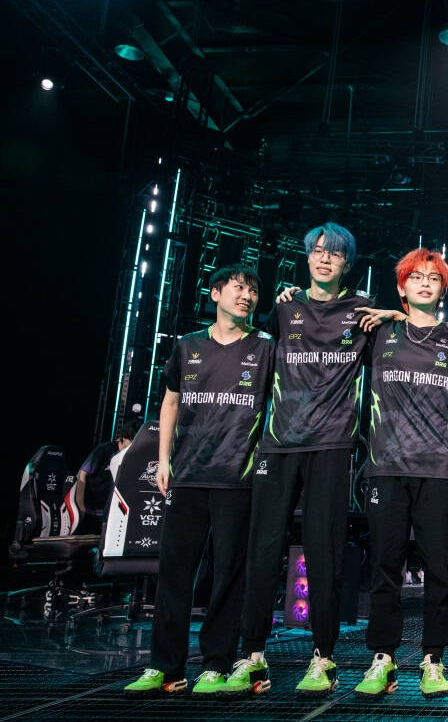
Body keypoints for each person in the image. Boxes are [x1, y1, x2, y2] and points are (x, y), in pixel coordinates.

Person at [228, 223, 373, 697]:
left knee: (324, 550)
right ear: (307, 257)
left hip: (331, 445)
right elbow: (248, 349)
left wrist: (391, 312)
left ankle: (323, 657)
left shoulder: (362, 310)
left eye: (335, 253)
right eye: (318, 251)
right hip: (278, 444)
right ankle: (253, 654)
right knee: (263, 548)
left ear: (346, 263)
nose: (325, 259)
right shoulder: (285, 307)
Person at [123, 265, 275, 697]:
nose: (246, 295)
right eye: (238, 287)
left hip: (237, 478)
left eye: (253, 290)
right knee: (174, 574)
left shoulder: (265, 347)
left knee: (228, 576)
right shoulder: (187, 346)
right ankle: (164, 667)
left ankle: (216, 664)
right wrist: (163, 459)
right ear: (215, 293)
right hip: (187, 476)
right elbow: (170, 401)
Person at [354, 248, 448, 701]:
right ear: (402, 287)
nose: (425, 283)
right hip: (386, 468)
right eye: (416, 277)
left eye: (433, 278)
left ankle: (433, 658)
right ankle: (382, 657)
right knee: (385, 566)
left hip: (440, 469)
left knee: (439, 569)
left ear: (444, 290)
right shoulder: (378, 333)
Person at [75, 419, 140, 536]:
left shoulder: (132, 456)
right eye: (132, 441)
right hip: (90, 510)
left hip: (111, 511)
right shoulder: (104, 450)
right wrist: (80, 504)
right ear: (123, 438)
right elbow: (82, 474)